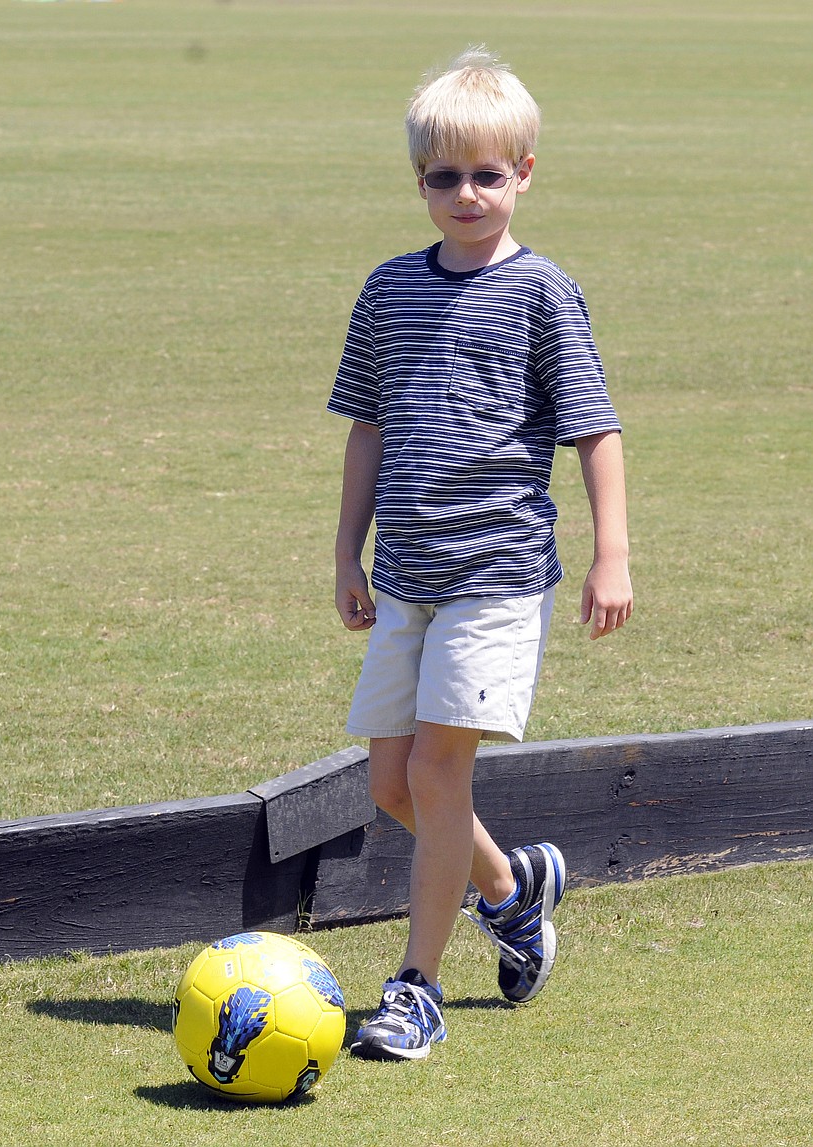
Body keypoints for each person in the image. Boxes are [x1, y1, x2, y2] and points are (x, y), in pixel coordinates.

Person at [327, 46, 633, 1062]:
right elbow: (366, 426)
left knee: (437, 768)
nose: (465, 194)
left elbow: (595, 428)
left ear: (526, 173)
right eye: (442, 177)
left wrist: (610, 555)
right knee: (389, 783)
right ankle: (511, 888)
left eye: (487, 175)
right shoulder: (387, 290)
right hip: (407, 575)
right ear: (416, 181)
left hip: (496, 575)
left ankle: (415, 985)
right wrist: (346, 554)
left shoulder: (545, 292)